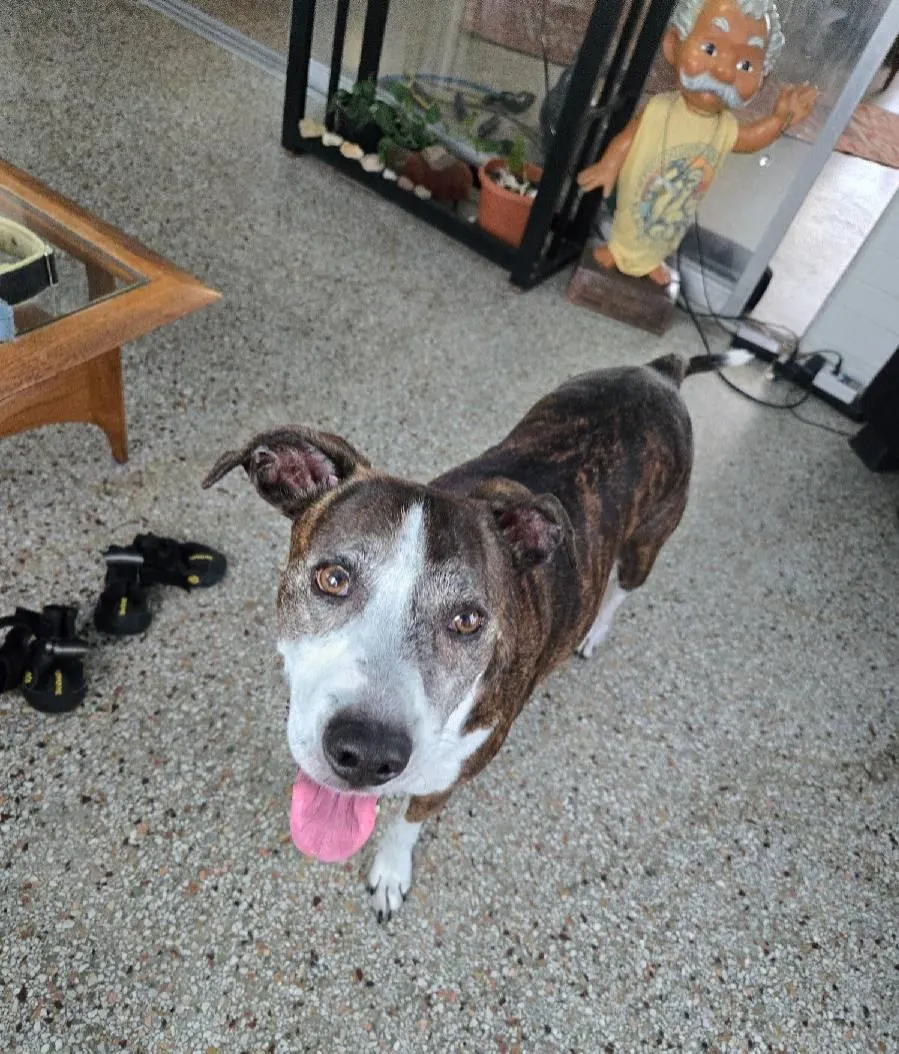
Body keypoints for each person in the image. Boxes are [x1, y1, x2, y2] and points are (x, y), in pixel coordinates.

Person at [577, 0, 817, 285]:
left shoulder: (724, 127)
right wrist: (608, 166)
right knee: (631, 218)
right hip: (641, 193)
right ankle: (618, 251)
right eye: (710, 49)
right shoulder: (661, 109)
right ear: (673, 45)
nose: (724, 72)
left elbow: (751, 139)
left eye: (745, 64)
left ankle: (651, 260)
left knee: (668, 232)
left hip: (680, 205)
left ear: (762, 80)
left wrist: (779, 120)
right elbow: (628, 138)